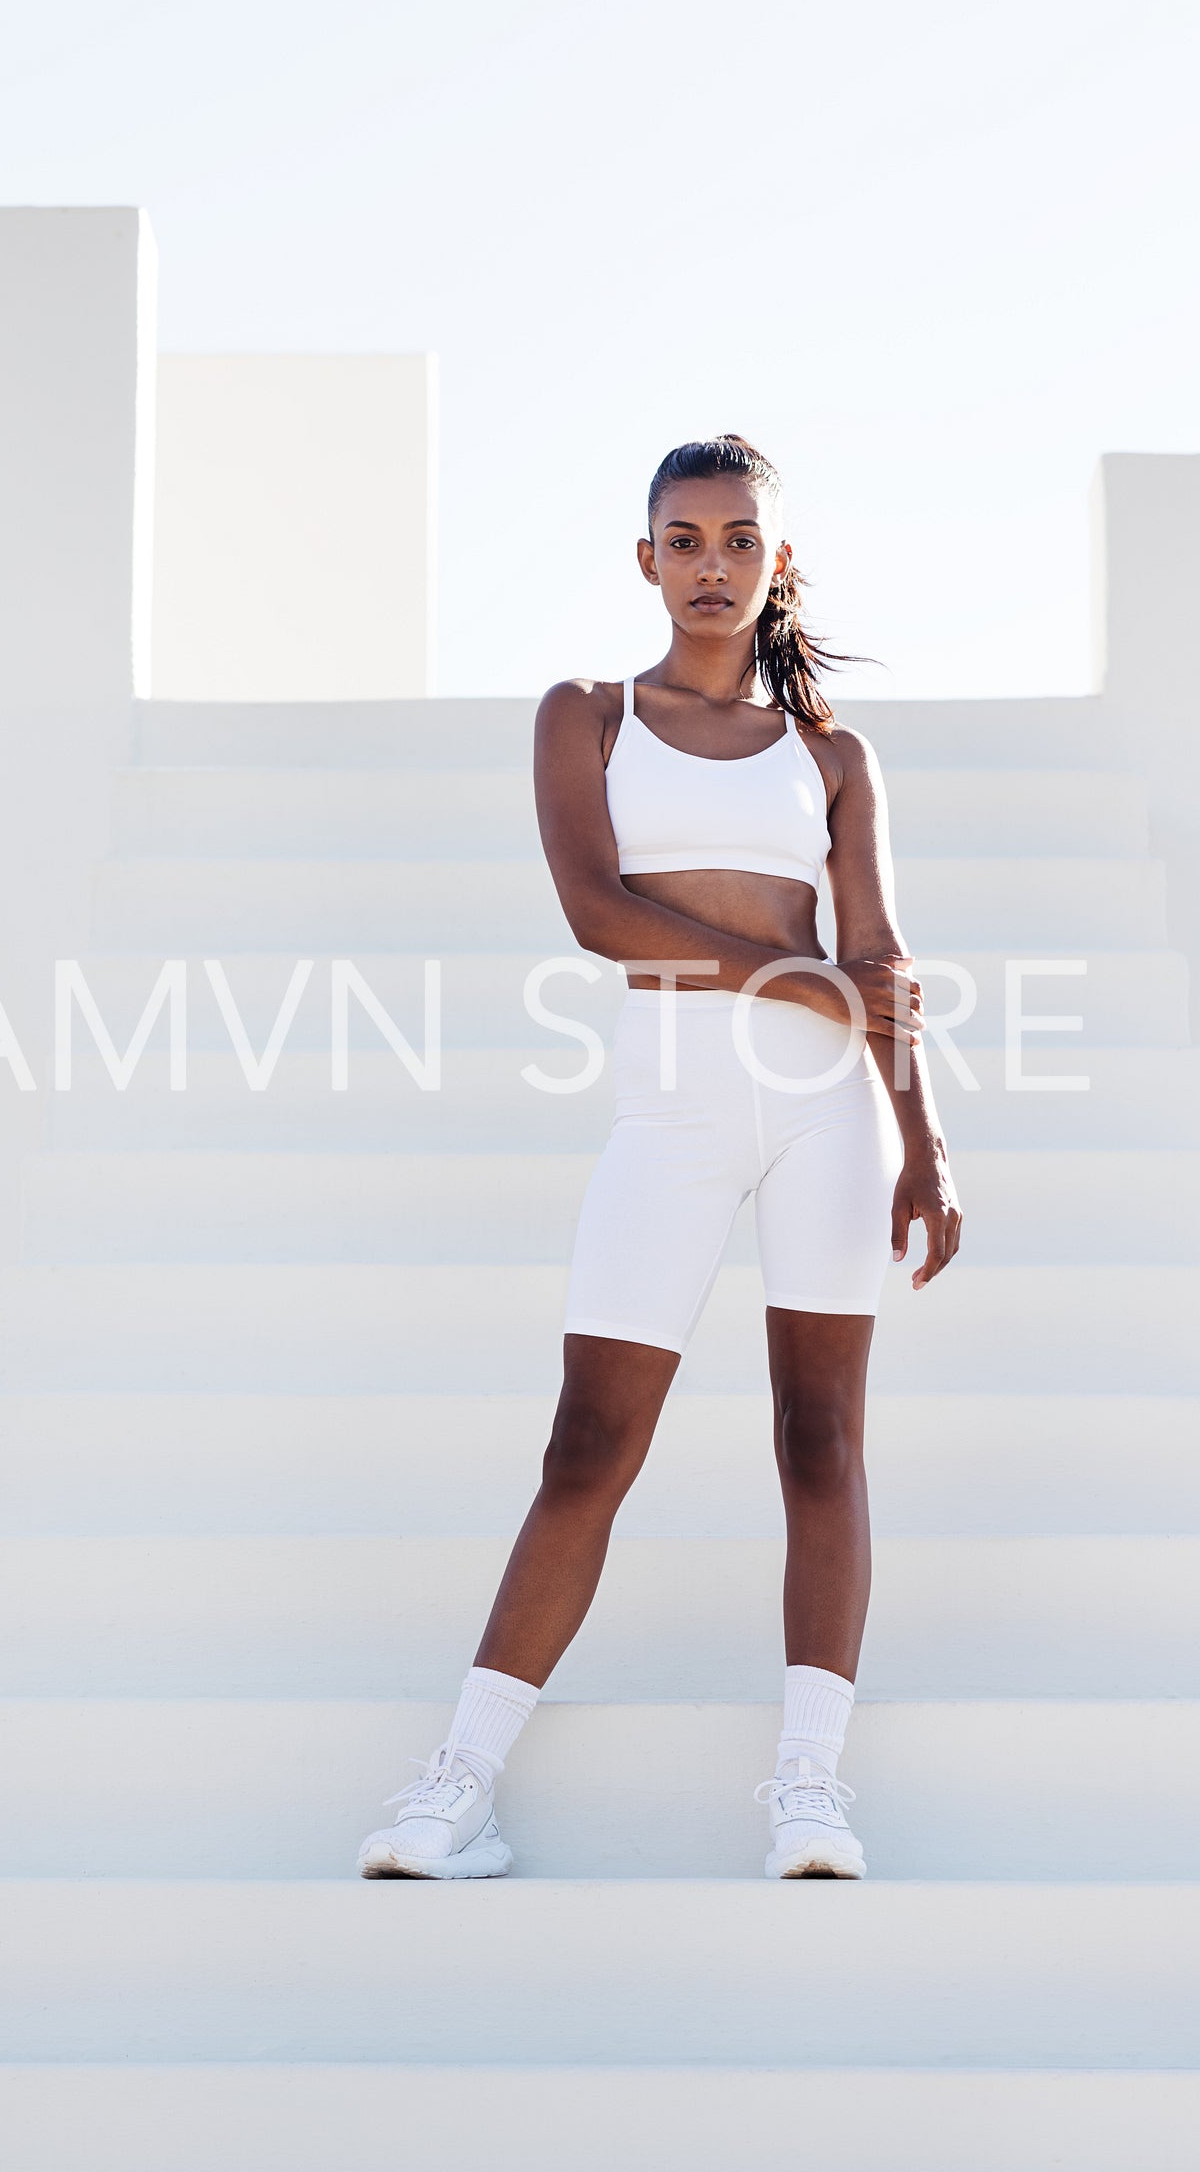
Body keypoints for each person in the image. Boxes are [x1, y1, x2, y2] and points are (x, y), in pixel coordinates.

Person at [357, 434, 961, 1883]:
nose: (710, 565)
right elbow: (594, 910)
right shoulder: (584, 714)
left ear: (777, 561)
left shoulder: (830, 753)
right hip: (671, 1112)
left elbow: (874, 960)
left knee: (819, 1442)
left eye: (737, 540)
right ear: (646, 560)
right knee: (586, 1445)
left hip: (832, 1111)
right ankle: (457, 1785)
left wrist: (923, 1145)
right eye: (683, 540)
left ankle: (809, 1793)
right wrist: (796, 979)